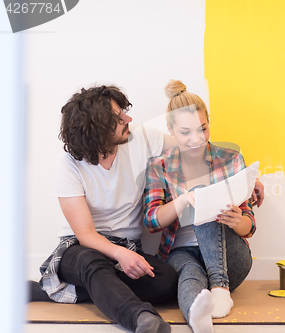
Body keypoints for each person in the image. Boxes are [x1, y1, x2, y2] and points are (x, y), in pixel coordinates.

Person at [32, 85, 179, 333]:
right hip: (80, 248)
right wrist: (119, 255)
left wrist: (239, 172)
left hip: (127, 246)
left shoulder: (142, 138)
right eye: (119, 118)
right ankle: (142, 318)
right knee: (91, 263)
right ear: (96, 129)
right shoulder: (67, 165)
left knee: (166, 280)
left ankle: (52, 289)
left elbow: (193, 150)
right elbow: (86, 234)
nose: (128, 119)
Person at [143, 80, 260, 333]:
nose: (196, 139)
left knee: (203, 194)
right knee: (190, 274)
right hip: (181, 253)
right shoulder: (159, 166)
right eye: (186, 132)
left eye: (203, 129)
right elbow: (152, 221)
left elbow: (249, 227)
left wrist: (236, 219)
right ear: (171, 130)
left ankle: (220, 287)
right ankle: (198, 320)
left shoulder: (230, 159)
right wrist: (182, 200)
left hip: (231, 260)